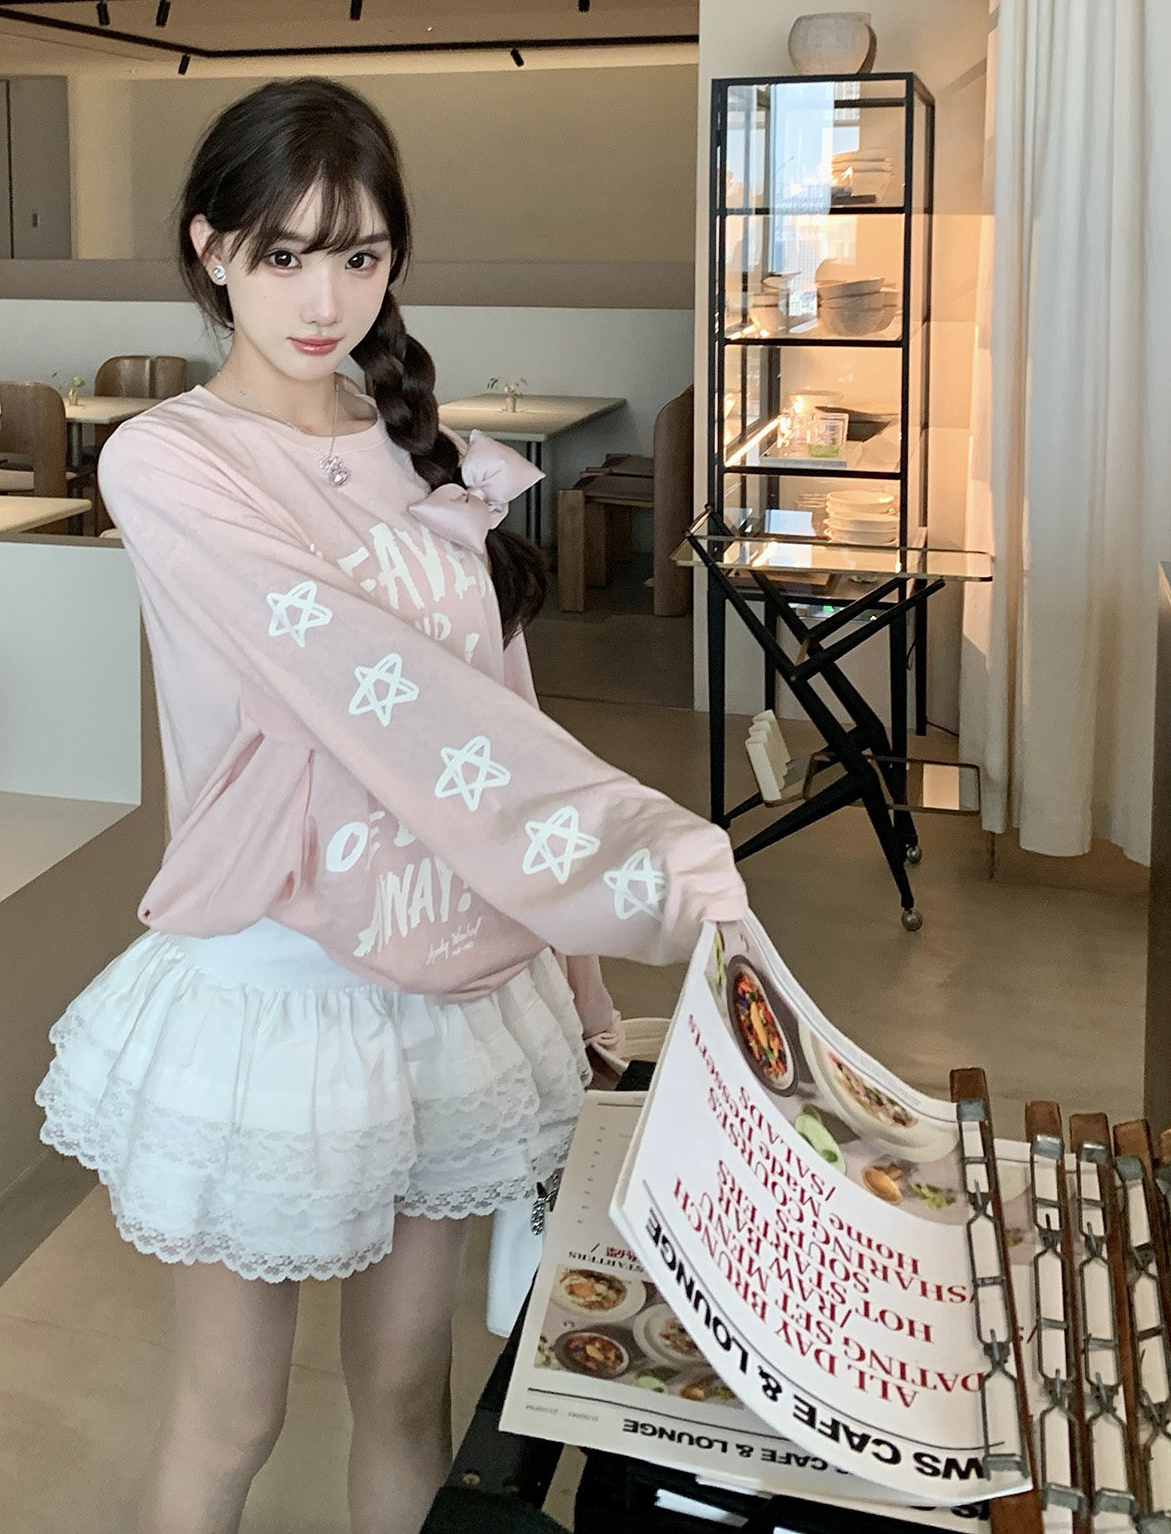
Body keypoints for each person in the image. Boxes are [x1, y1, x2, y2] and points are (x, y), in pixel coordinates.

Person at [36, 77, 747, 1534]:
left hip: (452, 980)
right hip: (280, 983)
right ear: (211, 248)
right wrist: (641, 857)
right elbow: (386, 693)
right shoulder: (168, 460)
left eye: (358, 255)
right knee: (232, 1414)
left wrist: (579, 970)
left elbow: (507, 717)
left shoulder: (433, 457)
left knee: (411, 1394)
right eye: (285, 253)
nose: (324, 298)